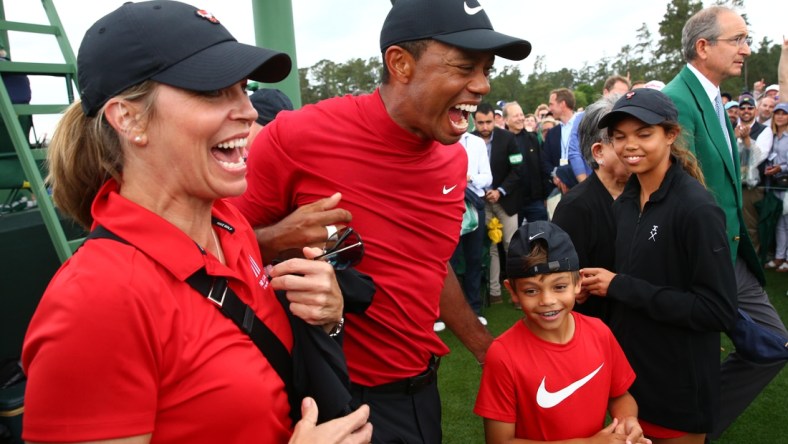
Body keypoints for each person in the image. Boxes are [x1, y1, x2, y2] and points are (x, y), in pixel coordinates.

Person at [20, 2, 373, 443]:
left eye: (243, 89)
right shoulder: (95, 300)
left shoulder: (229, 226)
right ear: (128, 119)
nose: (247, 110)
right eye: (212, 91)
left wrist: (328, 316)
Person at [232, 0, 532, 441]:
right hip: (331, 398)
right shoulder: (297, 137)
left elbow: (431, 262)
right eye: (465, 66)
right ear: (401, 64)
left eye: (487, 69)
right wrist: (278, 239)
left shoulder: (451, 159)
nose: (482, 85)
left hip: (422, 393)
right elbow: (213, 250)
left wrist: (483, 347)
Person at [582, 88, 737, 443]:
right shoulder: (625, 202)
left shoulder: (696, 209)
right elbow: (635, 279)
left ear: (671, 135)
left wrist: (619, 285)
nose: (629, 145)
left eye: (644, 133)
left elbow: (718, 310)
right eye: (619, 137)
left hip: (678, 388)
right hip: (631, 383)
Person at [662, 6, 788, 438]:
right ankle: (687, 424)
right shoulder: (677, 101)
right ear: (703, 46)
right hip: (704, 261)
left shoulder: (715, 99)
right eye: (737, 40)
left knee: (772, 344)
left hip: (730, 254)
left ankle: (695, 422)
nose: (746, 49)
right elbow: (676, 192)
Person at [474, 221, 648, 444]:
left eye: (559, 287)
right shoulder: (503, 355)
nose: (547, 300)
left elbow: (620, 395)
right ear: (513, 291)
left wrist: (627, 420)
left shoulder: (599, 333)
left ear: (578, 283)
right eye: (531, 290)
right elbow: (499, 441)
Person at [552, 94, 630, 322]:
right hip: (598, 328)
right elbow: (565, 285)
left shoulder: (647, 194)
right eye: (621, 138)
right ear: (598, 152)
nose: (635, 146)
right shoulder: (575, 207)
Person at [473, 102, 523, 306]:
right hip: (481, 201)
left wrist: (500, 191)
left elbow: (518, 169)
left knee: (512, 246)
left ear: (496, 120)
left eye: (488, 122)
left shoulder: (509, 138)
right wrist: (484, 192)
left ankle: (519, 292)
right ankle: (494, 293)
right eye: (480, 123)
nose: (485, 127)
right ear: (474, 122)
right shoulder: (469, 141)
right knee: (491, 248)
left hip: (507, 201)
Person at [450, 132, 492, 324]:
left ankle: (474, 309)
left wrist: (469, 178)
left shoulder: (476, 142)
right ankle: (446, 311)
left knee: (474, 258)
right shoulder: (438, 140)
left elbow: (487, 178)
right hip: (447, 206)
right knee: (448, 261)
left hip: (474, 205)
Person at [566, 75, 630, 184]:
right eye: (618, 93)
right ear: (606, 92)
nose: (621, 98)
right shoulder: (586, 117)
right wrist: (585, 184)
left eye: (625, 95)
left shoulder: (629, 118)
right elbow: (574, 152)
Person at [764, 102, 788, 271]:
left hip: (786, 184)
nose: (780, 116)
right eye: (777, 113)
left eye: (784, 113)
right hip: (774, 185)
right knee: (779, 222)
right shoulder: (770, 135)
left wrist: (781, 168)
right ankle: (779, 256)